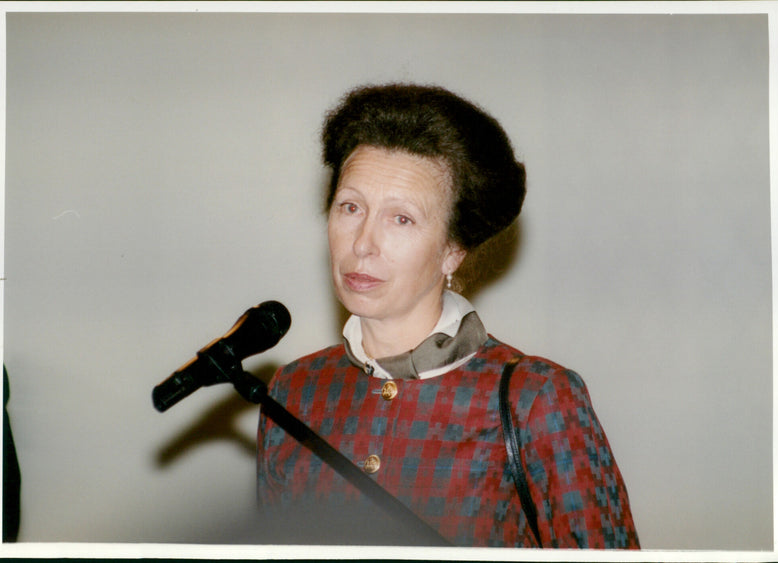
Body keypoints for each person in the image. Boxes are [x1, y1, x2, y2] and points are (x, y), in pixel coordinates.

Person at [256, 83, 639, 548]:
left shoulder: (536, 399)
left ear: (453, 250)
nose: (362, 243)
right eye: (351, 207)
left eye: (402, 219)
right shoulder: (293, 391)